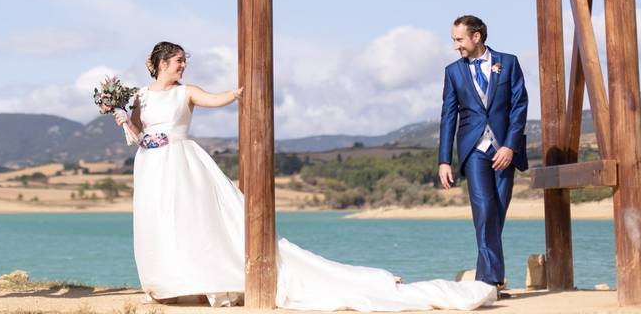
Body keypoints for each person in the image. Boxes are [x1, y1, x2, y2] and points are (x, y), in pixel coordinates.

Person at [114, 40, 497, 311]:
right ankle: (167, 282)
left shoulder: (189, 92)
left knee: (194, 221)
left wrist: (240, 91)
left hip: (183, 162)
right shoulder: (141, 97)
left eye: (184, 61)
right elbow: (135, 131)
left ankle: (202, 281)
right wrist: (119, 116)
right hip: (150, 164)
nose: (183, 66)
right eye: (178, 61)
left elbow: (219, 99)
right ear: (161, 63)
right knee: (159, 222)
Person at [438, 15, 529, 294]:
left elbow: (519, 106)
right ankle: (490, 282)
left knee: (497, 211)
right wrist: (444, 160)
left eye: (459, 39)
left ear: (476, 37)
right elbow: (448, 117)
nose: (456, 46)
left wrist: (509, 146)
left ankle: (487, 277)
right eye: (454, 40)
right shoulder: (453, 72)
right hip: (474, 151)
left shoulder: (509, 62)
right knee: (484, 209)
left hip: (505, 150)